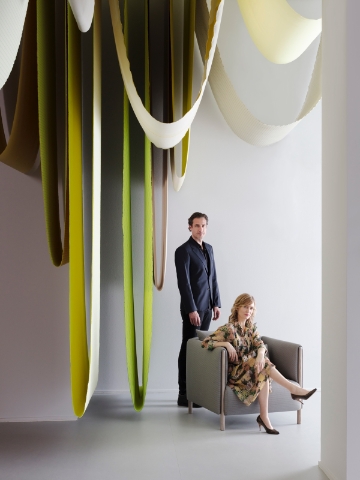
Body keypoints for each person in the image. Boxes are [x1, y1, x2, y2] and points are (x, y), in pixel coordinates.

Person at [202, 293, 317, 434]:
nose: (248, 311)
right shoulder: (229, 329)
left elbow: (260, 345)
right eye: (245, 307)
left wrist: (261, 355)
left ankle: (264, 417)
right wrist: (226, 344)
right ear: (237, 308)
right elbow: (206, 342)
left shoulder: (251, 329)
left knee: (263, 366)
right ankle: (293, 390)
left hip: (252, 370)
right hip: (237, 375)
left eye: (251, 308)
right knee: (262, 365)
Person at [175, 212, 221, 407]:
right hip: (193, 310)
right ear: (189, 227)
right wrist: (191, 309)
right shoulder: (183, 251)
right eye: (196, 226)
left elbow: (213, 278)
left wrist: (216, 303)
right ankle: (184, 394)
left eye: (203, 226)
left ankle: (197, 392)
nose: (200, 229)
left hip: (207, 308)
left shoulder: (209, 249)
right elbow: (183, 284)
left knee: (201, 349)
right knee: (188, 347)